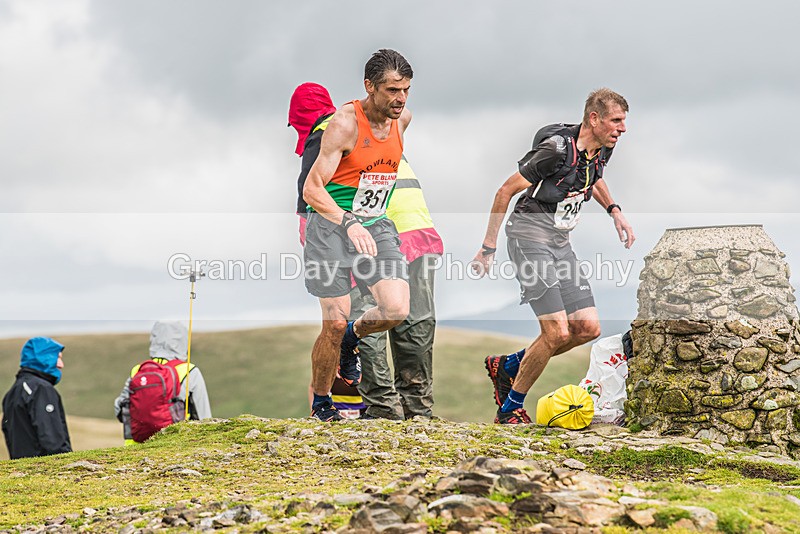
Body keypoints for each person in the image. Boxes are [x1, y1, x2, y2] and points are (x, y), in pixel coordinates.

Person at [472, 88, 635, 425]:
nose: (622, 128)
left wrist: (614, 210)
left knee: (587, 328)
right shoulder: (555, 151)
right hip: (529, 238)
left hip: (560, 243)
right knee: (557, 333)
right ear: (594, 118)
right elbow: (505, 191)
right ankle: (510, 409)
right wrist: (488, 247)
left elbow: (593, 179)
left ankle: (508, 365)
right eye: (616, 121)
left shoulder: (604, 147)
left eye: (623, 121)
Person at [289, 82, 443, 420]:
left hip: (368, 228)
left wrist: (318, 239)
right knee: (413, 323)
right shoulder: (375, 128)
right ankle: (417, 412)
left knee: (351, 318)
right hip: (417, 227)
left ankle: (382, 409)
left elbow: (311, 197)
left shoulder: (329, 132)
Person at [301, 49, 413, 422]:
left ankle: (352, 338)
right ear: (369, 86)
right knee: (333, 321)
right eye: (392, 90)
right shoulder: (344, 125)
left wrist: (363, 221)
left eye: (406, 90)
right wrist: (348, 221)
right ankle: (321, 402)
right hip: (330, 226)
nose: (400, 99)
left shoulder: (402, 119)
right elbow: (312, 189)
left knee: (396, 309)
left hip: (375, 223)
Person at [114, 321, 212, 444]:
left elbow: (119, 409)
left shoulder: (138, 371)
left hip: (135, 448)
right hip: (176, 446)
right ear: (183, 340)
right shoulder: (189, 371)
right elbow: (204, 418)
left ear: (154, 339)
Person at [2, 337, 72, 459]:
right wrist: (66, 463)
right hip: (46, 467)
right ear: (44, 357)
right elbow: (52, 440)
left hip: (23, 467)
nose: (61, 365)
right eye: (58, 358)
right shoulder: (40, 389)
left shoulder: (12, 393)